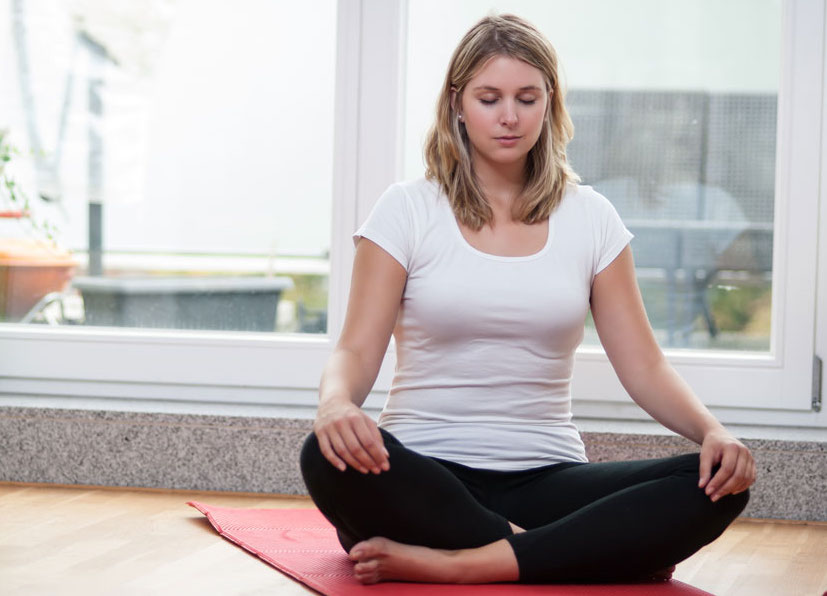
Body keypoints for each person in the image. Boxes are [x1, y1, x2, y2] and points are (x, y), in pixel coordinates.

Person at [300, 13, 755, 585]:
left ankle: (471, 562)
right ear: (457, 103)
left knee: (713, 485)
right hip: (424, 473)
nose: (509, 117)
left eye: (527, 97)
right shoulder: (406, 209)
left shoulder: (591, 217)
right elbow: (357, 351)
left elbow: (644, 365)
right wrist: (336, 405)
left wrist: (713, 432)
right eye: (489, 98)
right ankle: (566, 552)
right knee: (323, 456)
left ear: (550, 103)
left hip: (547, 478)